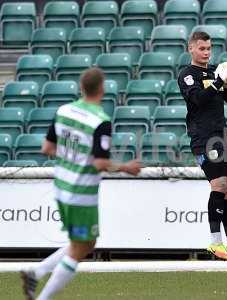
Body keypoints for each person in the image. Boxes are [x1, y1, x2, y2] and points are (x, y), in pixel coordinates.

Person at [21, 68, 142, 300]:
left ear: (81, 87)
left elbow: (46, 149)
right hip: (81, 193)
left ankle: (36, 272)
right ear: (102, 89)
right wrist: (126, 167)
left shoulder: (64, 110)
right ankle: (42, 293)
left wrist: (72, 156)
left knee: (83, 243)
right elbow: (99, 163)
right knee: (81, 247)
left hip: (61, 187)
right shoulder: (101, 121)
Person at [178, 31, 227, 262]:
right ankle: (214, 242)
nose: (207, 52)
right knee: (219, 184)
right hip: (203, 137)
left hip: (221, 136)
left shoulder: (215, 72)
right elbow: (197, 100)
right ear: (191, 48)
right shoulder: (187, 75)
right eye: (202, 48)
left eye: (209, 48)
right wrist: (219, 81)